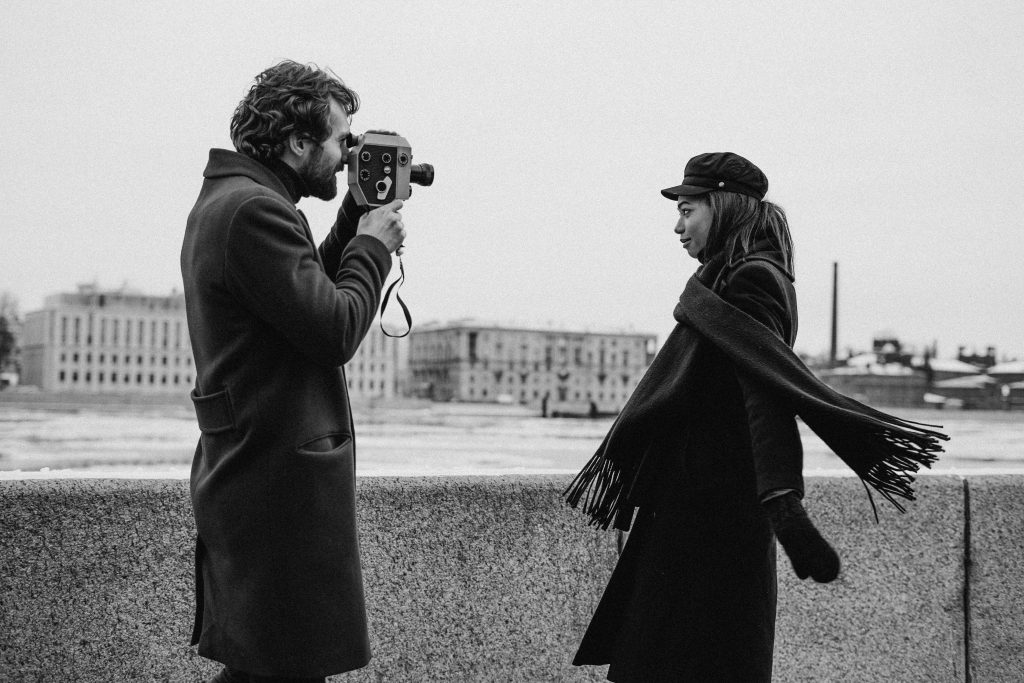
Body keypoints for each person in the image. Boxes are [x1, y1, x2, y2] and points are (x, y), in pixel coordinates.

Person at [564, 152, 946, 681]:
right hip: (706, 505)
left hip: (710, 513)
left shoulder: (750, 278)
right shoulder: (734, 275)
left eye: (688, 210)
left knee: (684, 661)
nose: (677, 226)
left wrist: (784, 504)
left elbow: (765, 389)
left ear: (722, 207)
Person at [180, 61, 406, 682]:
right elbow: (333, 330)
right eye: (340, 141)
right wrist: (374, 246)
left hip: (257, 472)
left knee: (271, 667)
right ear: (298, 142)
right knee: (280, 667)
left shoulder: (239, 200)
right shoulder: (255, 210)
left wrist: (351, 219)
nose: (347, 156)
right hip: (275, 485)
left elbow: (301, 297)